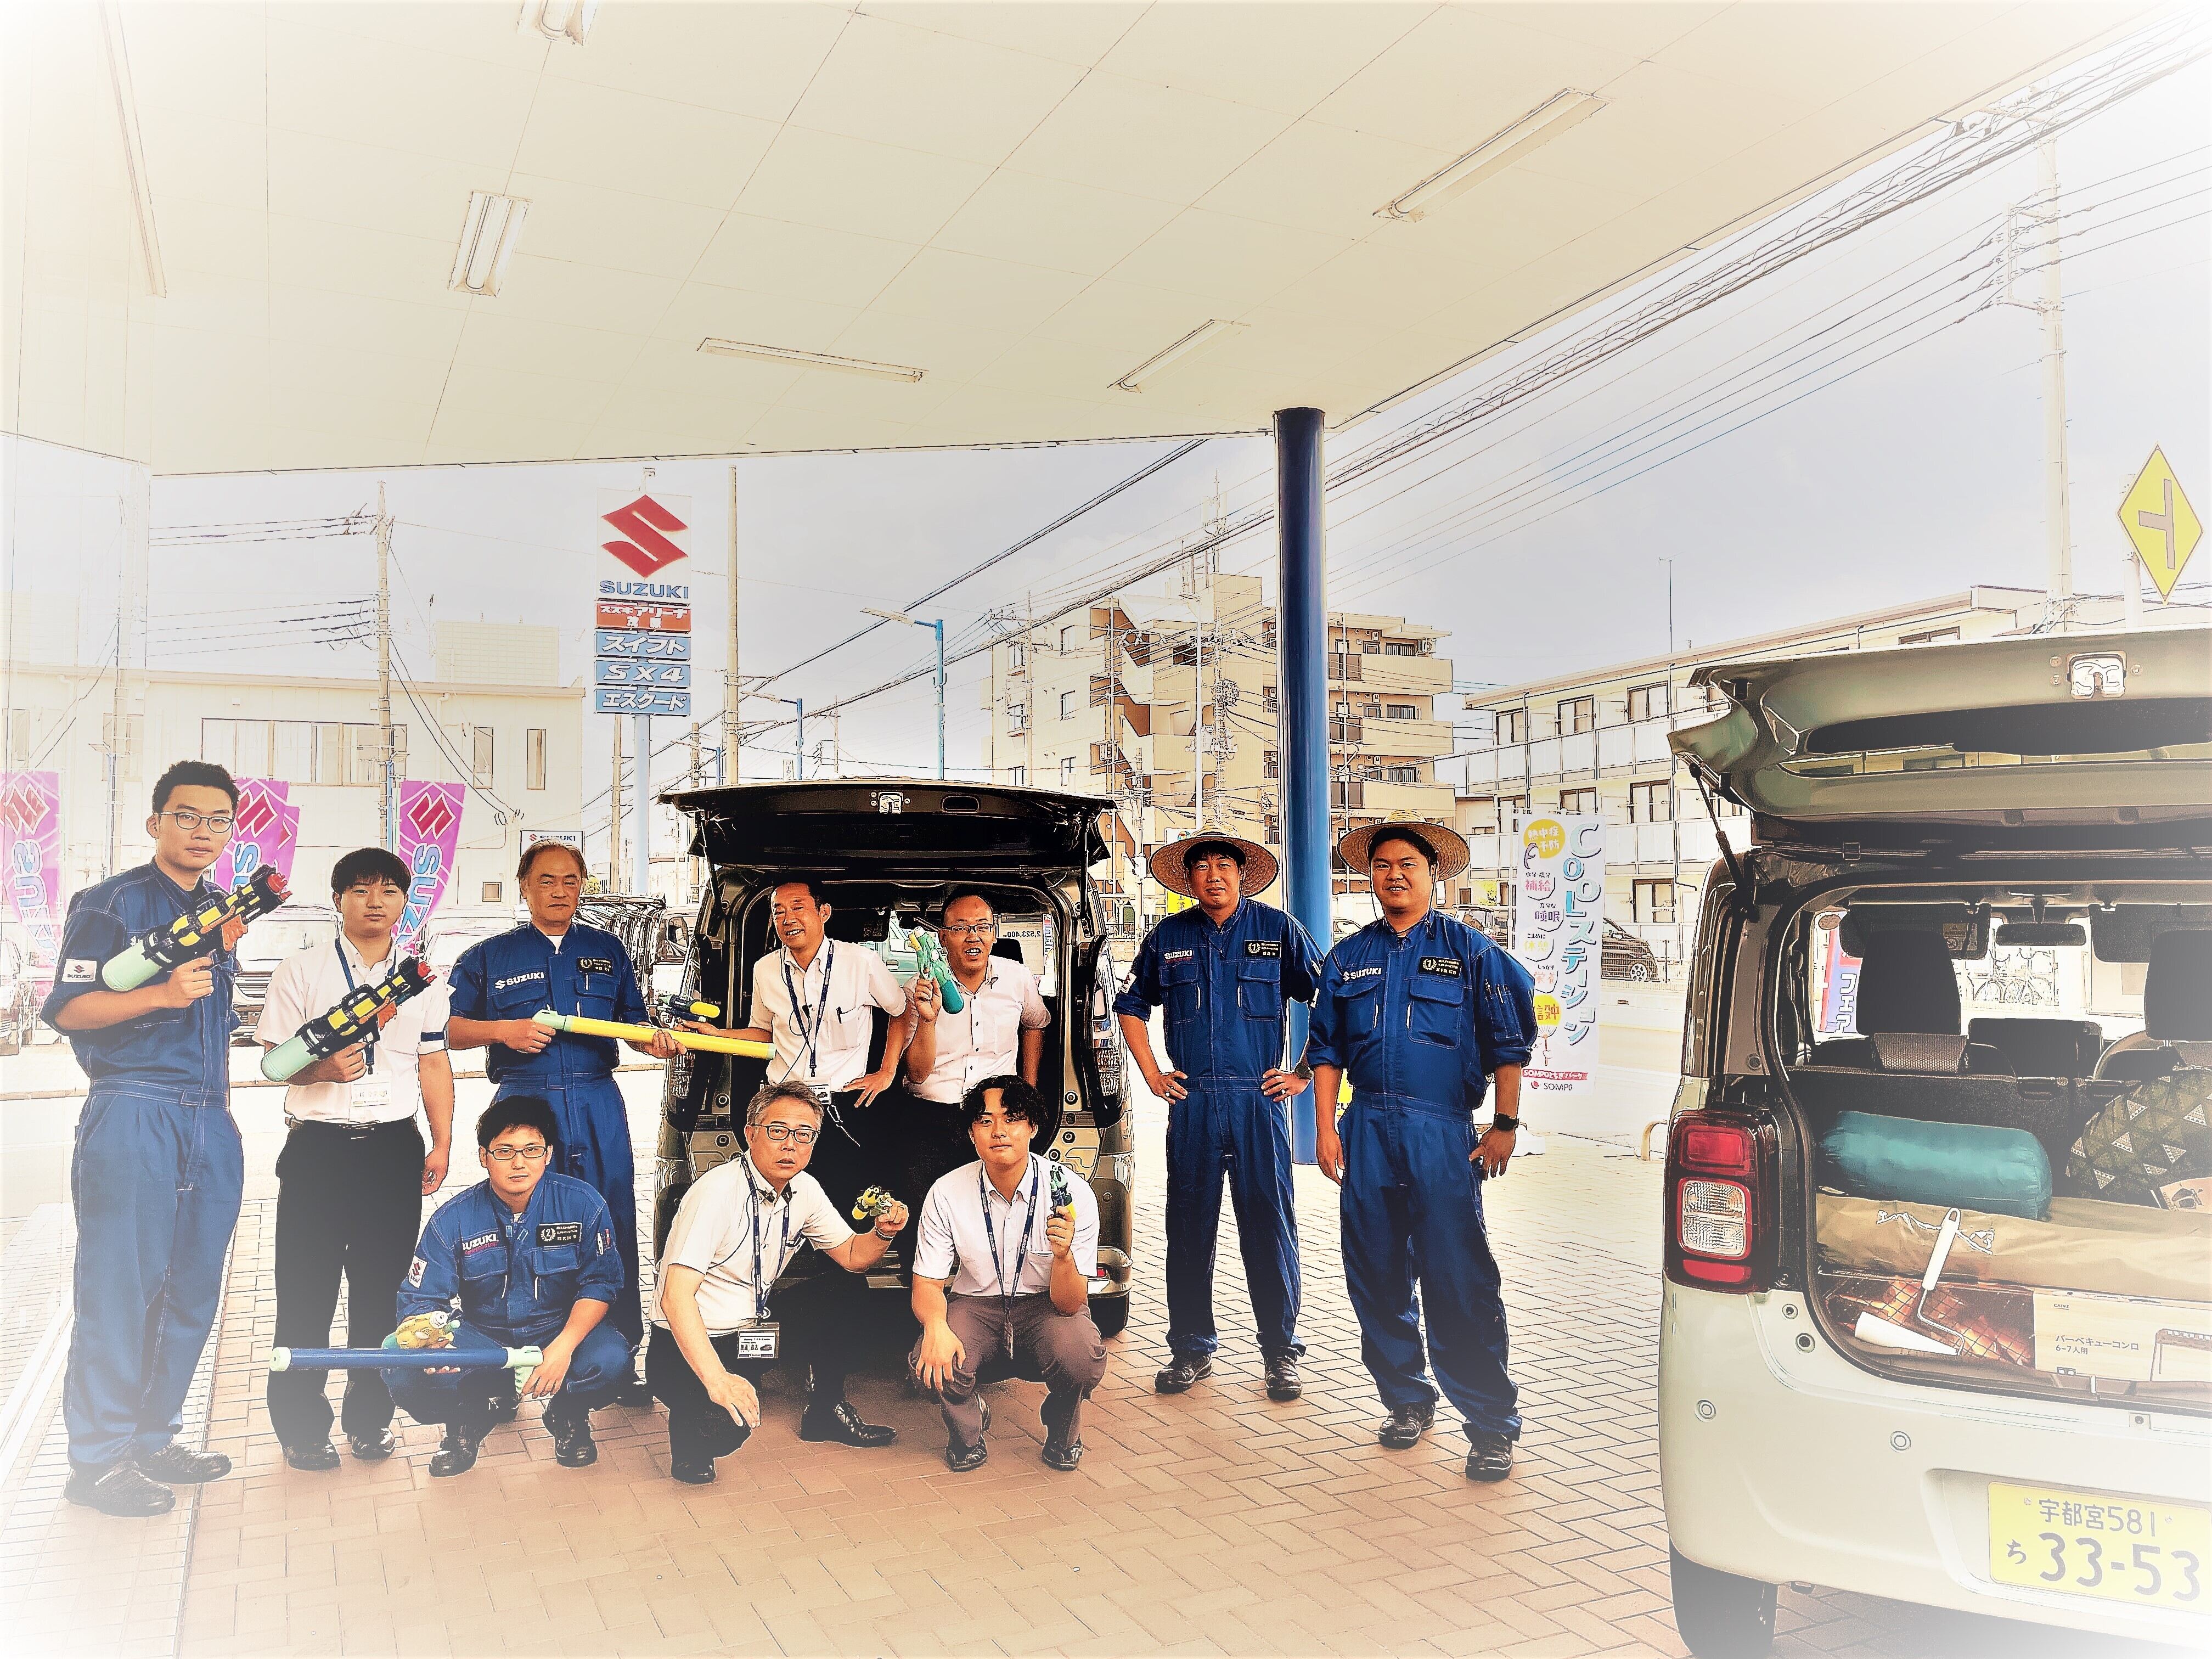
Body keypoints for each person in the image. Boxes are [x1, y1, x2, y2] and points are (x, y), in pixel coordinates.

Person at [42, 761, 247, 1517]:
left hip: (210, 1113)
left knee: (191, 1290)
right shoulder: (111, 902)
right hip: (134, 1107)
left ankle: (154, 1437)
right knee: (118, 1290)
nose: (202, 830)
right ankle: (97, 1462)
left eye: (218, 819)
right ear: (156, 821)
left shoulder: (220, 907)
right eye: (186, 815)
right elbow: (68, 1008)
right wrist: (160, 991)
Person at [1308, 822, 1538, 1483]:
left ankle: (1490, 1425)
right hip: (1366, 1128)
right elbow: (1325, 1050)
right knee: (1375, 1276)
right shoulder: (1348, 957)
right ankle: (1406, 1398)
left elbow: (1509, 1044)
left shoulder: (1471, 952)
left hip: (1441, 1133)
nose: (1393, 875)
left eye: (1406, 863)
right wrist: (1325, 1129)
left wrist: (1504, 1123)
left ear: (1432, 873)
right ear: (1370, 877)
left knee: (1457, 1279)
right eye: (1381, 865)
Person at [443, 841, 679, 1406]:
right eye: (546, 880)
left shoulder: (607, 949)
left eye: (570, 880)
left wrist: (654, 1039)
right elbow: (447, 1028)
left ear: (582, 887)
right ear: (524, 885)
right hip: (525, 1103)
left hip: (597, 1102)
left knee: (610, 1223)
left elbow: (633, 1022)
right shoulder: (488, 956)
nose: (559, 890)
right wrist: (504, 1031)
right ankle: (503, 1368)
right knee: (517, 1224)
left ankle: (616, 1359)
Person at [686, 876, 909, 1444]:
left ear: (823, 912)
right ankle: (737, 1365)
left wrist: (886, 1071)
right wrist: (711, 1035)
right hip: (783, 1117)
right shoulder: (767, 969)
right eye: (779, 910)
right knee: (758, 1240)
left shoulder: (860, 962)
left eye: (799, 907)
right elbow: (761, 1034)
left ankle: (826, 1398)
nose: (788, 918)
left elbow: (903, 1011)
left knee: (842, 1256)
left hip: (842, 1117)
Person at [256, 847, 455, 1471]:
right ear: (338, 898)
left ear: (405, 902)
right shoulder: (302, 969)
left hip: (392, 1149)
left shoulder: (423, 979)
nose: (375, 901)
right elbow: (273, 1063)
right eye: (361, 888)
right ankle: (301, 1427)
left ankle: (370, 1420)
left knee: (381, 1294)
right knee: (305, 1292)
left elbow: (432, 1061)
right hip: (317, 1150)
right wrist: (320, 1067)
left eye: (389, 890)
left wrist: (441, 1140)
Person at [1112, 833, 1321, 1403]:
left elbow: (1327, 997)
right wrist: (1153, 1073)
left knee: (1269, 1227)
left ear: (1241, 874)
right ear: (1188, 880)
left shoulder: (1278, 930)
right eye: (1201, 866)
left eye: (1223, 864)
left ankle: (1280, 1353)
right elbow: (1130, 1005)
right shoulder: (1168, 936)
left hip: (1259, 1100)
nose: (1213, 874)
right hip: (1194, 1102)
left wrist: (1302, 1071)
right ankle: (1190, 1348)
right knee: (1187, 1226)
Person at [648, 1081, 910, 1484]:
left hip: (751, 1330)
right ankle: (690, 1431)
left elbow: (853, 1257)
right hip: (688, 1340)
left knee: (845, 1291)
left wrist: (883, 1232)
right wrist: (718, 1381)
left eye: (804, 1134)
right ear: (750, 1133)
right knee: (723, 1425)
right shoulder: (715, 1193)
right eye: (778, 1130)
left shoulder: (805, 1188)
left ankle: (825, 1411)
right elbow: (675, 1297)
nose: (791, 1144)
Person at [385, 1095, 633, 1476]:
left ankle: (567, 1412)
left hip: (556, 1332)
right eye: (504, 1151)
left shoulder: (583, 1205)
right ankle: (467, 1415)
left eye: (532, 1149)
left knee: (612, 1360)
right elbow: (422, 1298)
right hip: (483, 1339)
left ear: (549, 1154)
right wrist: (433, 1341)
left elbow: (601, 1283)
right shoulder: (453, 1219)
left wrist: (563, 1347)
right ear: (484, 1157)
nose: (519, 1163)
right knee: (399, 1358)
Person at [911, 1077, 1107, 1472]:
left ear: (1033, 1127)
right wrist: (935, 1326)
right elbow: (927, 1283)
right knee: (929, 1363)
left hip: (1045, 1305)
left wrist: (1064, 1256)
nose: (999, 1130)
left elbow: (1070, 1304)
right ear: (972, 1134)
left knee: (1080, 1356)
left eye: (1012, 1118)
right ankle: (967, 1429)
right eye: (985, 1121)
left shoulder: (1070, 1192)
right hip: (976, 1304)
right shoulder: (947, 1192)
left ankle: (1063, 1427)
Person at [899, 887, 1049, 1233]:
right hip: (931, 1115)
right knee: (925, 1215)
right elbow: (917, 1074)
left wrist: (1027, 1089)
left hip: (995, 1115)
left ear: (994, 934)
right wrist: (928, 1020)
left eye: (982, 927)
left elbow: (1036, 1023)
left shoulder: (1017, 978)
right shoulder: (918, 989)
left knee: (998, 1217)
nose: (973, 936)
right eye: (960, 928)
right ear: (942, 937)